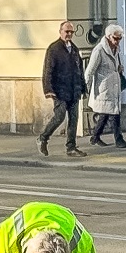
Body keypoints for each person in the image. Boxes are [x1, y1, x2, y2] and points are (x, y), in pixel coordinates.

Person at [39, 20, 87, 158]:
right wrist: (48, 89)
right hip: (60, 90)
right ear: (60, 32)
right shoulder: (54, 49)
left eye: (71, 32)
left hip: (74, 89)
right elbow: (48, 70)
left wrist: (83, 87)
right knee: (59, 116)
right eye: (67, 31)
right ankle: (43, 138)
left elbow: (79, 70)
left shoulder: (74, 49)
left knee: (74, 119)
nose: (69, 34)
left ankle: (71, 147)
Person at [85, 23, 126, 149]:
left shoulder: (116, 49)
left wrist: (119, 69)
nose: (118, 41)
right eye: (116, 38)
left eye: (120, 38)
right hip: (103, 88)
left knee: (106, 114)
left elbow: (113, 66)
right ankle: (118, 139)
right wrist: (85, 88)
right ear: (109, 37)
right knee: (114, 114)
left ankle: (95, 136)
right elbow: (90, 70)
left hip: (114, 86)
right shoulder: (99, 50)